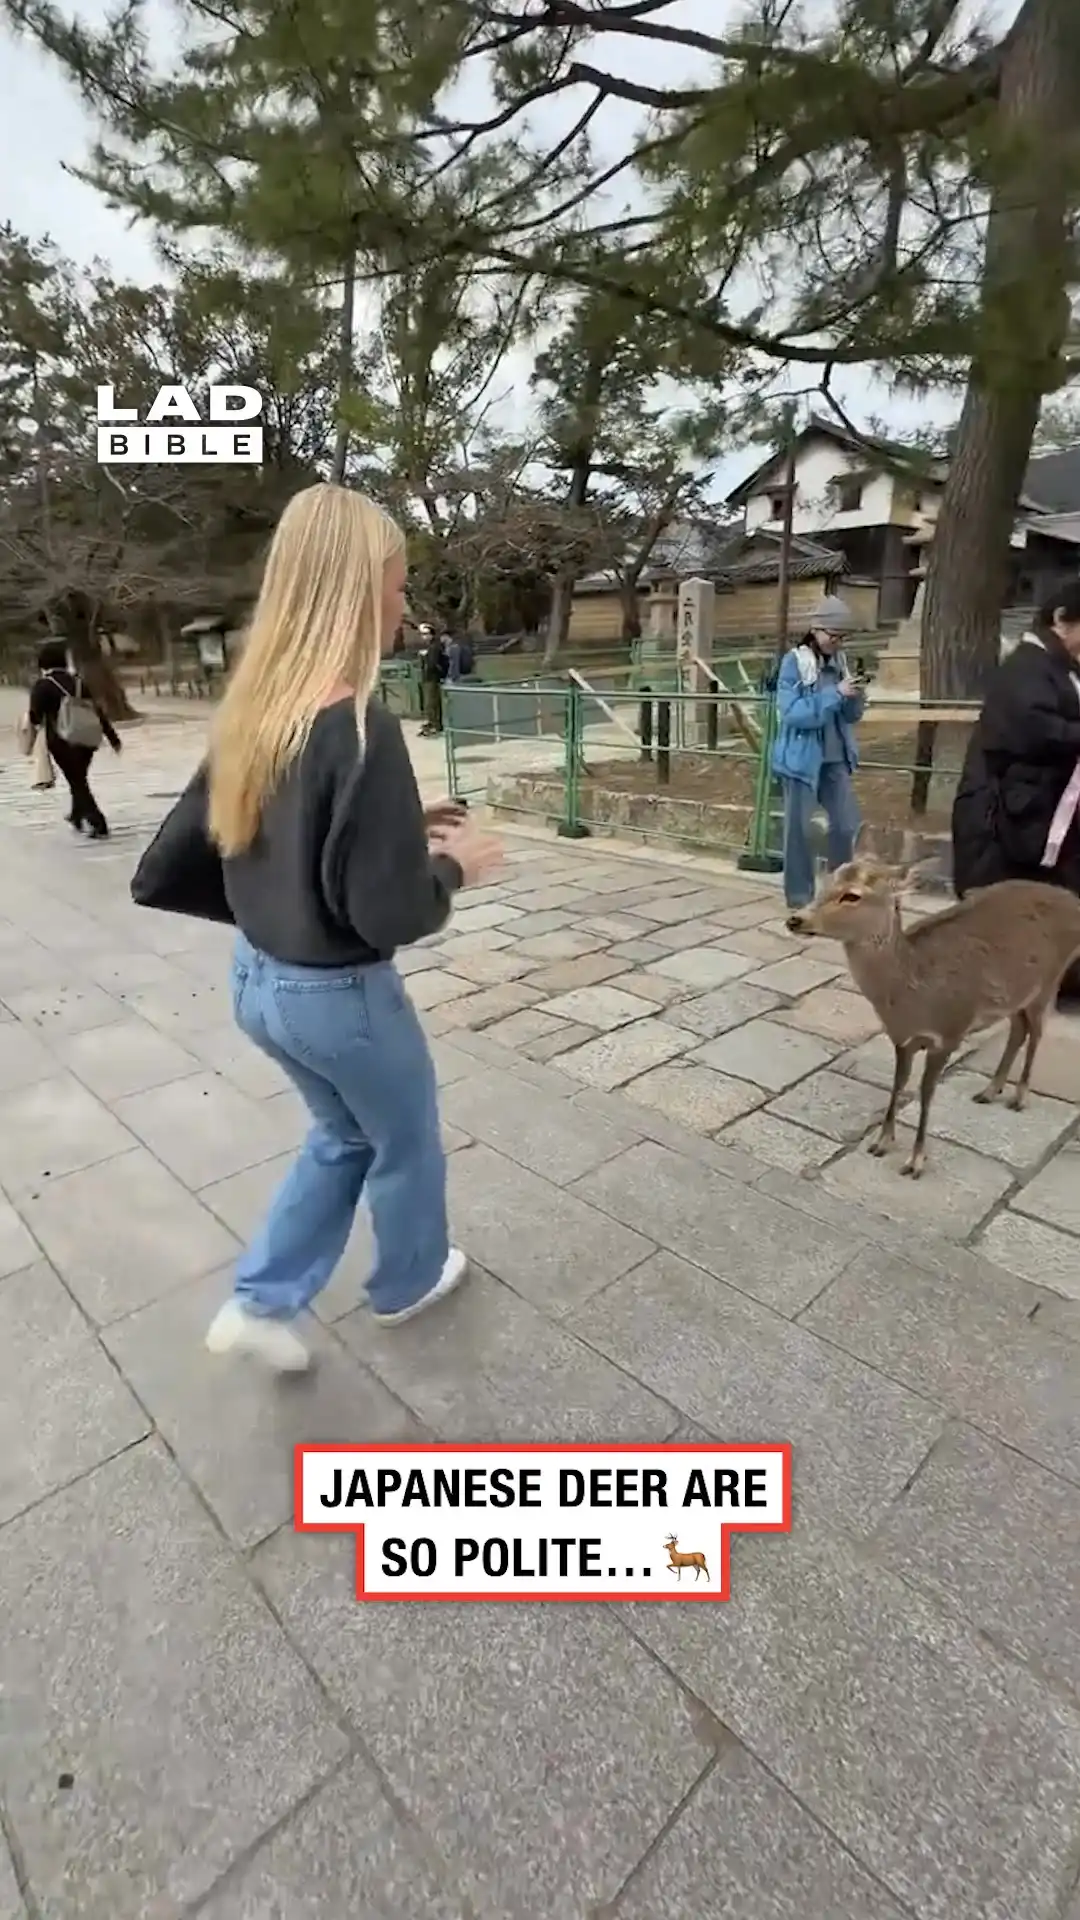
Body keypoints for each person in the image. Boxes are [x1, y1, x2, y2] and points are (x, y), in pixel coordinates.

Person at [203, 483, 503, 1372]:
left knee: (342, 1136)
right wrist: (456, 865)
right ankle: (411, 1279)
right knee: (402, 1142)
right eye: (398, 584)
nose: (405, 604)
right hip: (340, 996)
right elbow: (389, 911)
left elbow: (288, 840)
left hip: (258, 978)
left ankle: (260, 1300)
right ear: (349, 592)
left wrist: (399, 826)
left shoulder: (257, 710)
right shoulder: (360, 724)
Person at [952, 583, 1080, 998]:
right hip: (1004, 813)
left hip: (1034, 810)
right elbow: (1036, 730)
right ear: (1060, 619)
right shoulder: (1026, 669)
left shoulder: (1053, 669)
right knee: (1008, 904)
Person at [771, 596, 866, 919]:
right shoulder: (794, 662)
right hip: (801, 759)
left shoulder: (841, 662)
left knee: (845, 825)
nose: (837, 643)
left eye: (842, 638)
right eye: (832, 636)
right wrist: (834, 694)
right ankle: (800, 899)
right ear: (815, 629)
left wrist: (856, 695)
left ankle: (840, 895)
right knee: (800, 832)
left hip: (836, 755)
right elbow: (793, 713)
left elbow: (851, 716)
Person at [27, 640, 121, 837]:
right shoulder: (78, 681)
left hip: (61, 740)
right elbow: (95, 710)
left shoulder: (43, 685)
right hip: (86, 738)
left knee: (77, 781)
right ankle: (77, 814)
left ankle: (97, 822)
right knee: (78, 778)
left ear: (43, 663)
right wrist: (112, 737)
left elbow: (35, 716)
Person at [419, 627, 447, 736]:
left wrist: (426, 658)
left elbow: (433, 664)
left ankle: (435, 724)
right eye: (422, 634)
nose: (423, 636)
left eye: (426, 634)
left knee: (432, 702)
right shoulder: (430, 647)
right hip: (428, 678)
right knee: (428, 702)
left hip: (432, 678)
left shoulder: (435, 647)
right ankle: (431, 722)